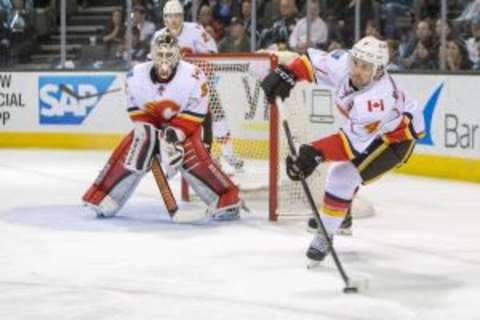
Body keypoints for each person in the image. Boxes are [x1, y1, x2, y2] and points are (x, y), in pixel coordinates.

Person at [261, 36, 425, 262]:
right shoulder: (344, 63)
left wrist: (312, 153)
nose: (357, 70)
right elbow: (309, 62)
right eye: (356, 62)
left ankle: (325, 235)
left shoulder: (377, 100)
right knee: (341, 175)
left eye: (365, 67)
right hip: (372, 132)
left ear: (378, 72)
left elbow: (348, 147)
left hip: (395, 140)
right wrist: (287, 74)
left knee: (341, 175)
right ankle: (342, 217)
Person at [82, 31, 243, 222]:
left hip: (184, 128)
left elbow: (197, 114)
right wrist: (151, 136)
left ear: (178, 56)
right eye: (160, 55)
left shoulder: (194, 75)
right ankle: (102, 195)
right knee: (139, 143)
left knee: (190, 153)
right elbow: (138, 112)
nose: (164, 60)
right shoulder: (136, 76)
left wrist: (173, 137)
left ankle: (225, 197)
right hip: (153, 124)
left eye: (169, 55)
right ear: (151, 55)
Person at [153, 0, 245, 171]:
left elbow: (212, 52)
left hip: (199, 82)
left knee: (216, 115)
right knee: (176, 122)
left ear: (183, 16)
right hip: (176, 89)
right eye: (170, 16)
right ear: (164, 18)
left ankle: (227, 152)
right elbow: (155, 64)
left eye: (177, 15)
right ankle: (177, 155)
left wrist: (196, 64)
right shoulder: (158, 36)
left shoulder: (194, 30)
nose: (174, 20)